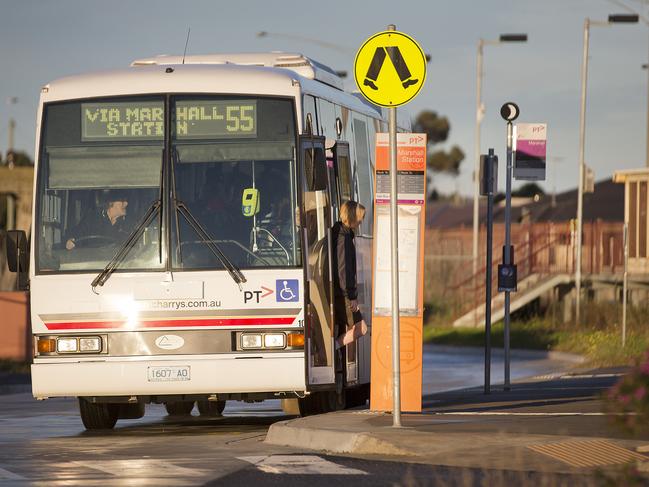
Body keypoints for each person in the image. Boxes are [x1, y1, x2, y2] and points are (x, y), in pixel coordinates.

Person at [331, 200, 368, 349]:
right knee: (361, 329)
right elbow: (343, 269)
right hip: (344, 294)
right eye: (360, 217)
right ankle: (333, 348)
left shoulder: (340, 233)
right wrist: (351, 296)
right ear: (352, 216)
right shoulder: (343, 238)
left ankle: (333, 348)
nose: (361, 221)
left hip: (340, 292)